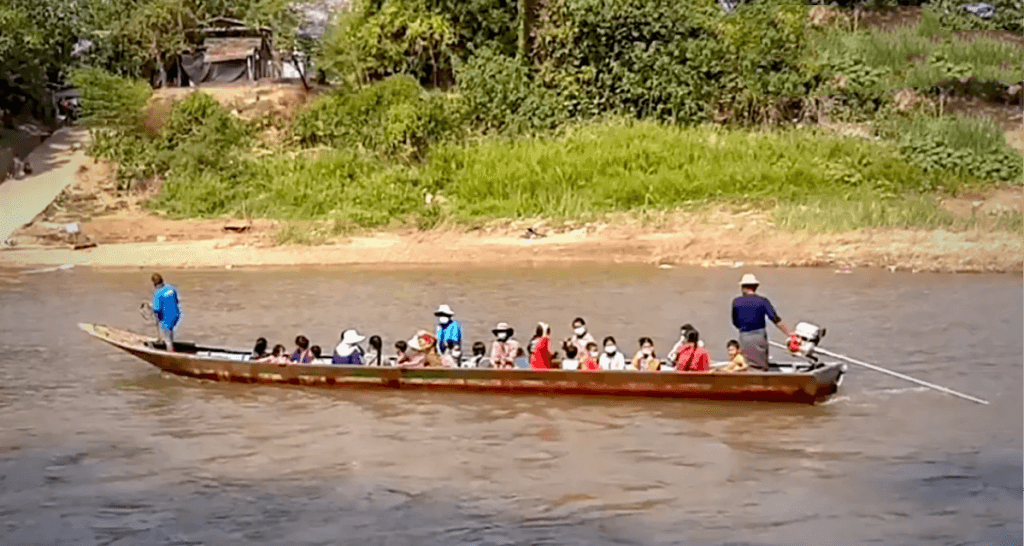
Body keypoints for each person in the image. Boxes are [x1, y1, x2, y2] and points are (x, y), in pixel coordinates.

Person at [731, 273, 791, 370]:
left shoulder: (736, 302)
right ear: (756, 287)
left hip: (744, 337)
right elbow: (775, 319)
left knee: (747, 364)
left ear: (742, 287)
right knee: (761, 364)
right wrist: (789, 333)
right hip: (759, 336)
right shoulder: (763, 301)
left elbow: (735, 322)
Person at [151, 273, 181, 351]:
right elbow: (176, 301)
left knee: (167, 338)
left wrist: (152, 309)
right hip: (176, 315)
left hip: (166, 318)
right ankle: (172, 344)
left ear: (154, 283)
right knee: (170, 332)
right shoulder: (171, 289)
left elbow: (157, 309)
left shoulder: (158, 293)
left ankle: (170, 353)